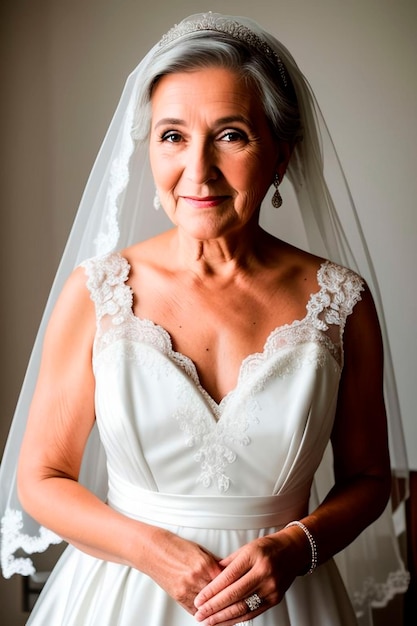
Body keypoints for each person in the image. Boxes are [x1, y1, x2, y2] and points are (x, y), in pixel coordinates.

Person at [0, 11, 409, 625]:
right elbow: (41, 477)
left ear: (279, 156)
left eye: (231, 135)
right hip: (120, 602)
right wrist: (150, 550)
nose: (198, 170)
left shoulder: (340, 300)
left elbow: (371, 478)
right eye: (172, 136)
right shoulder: (100, 291)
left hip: (288, 606)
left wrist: (298, 547)